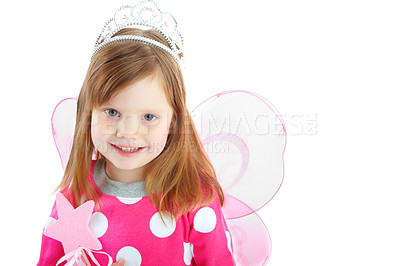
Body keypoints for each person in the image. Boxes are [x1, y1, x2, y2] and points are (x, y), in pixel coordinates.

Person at [37, 2, 236, 266]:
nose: (128, 132)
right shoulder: (76, 194)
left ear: (173, 121)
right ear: (88, 112)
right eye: (112, 112)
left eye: (149, 117)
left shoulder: (193, 198)